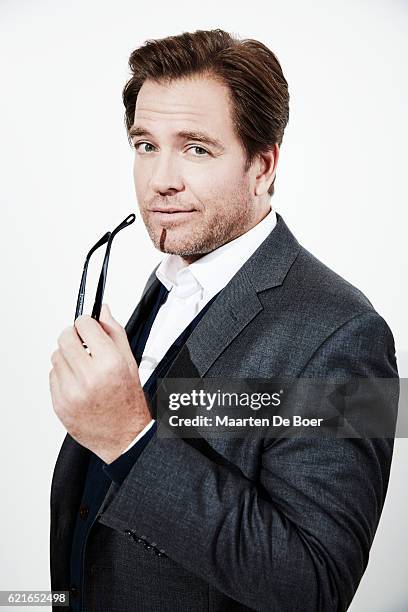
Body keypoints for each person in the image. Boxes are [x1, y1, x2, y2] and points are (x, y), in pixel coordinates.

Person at [49, 29, 398, 612]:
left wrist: (130, 438)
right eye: (145, 144)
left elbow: (315, 587)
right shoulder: (170, 276)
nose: (161, 180)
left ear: (263, 165)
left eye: (197, 149)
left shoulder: (353, 334)